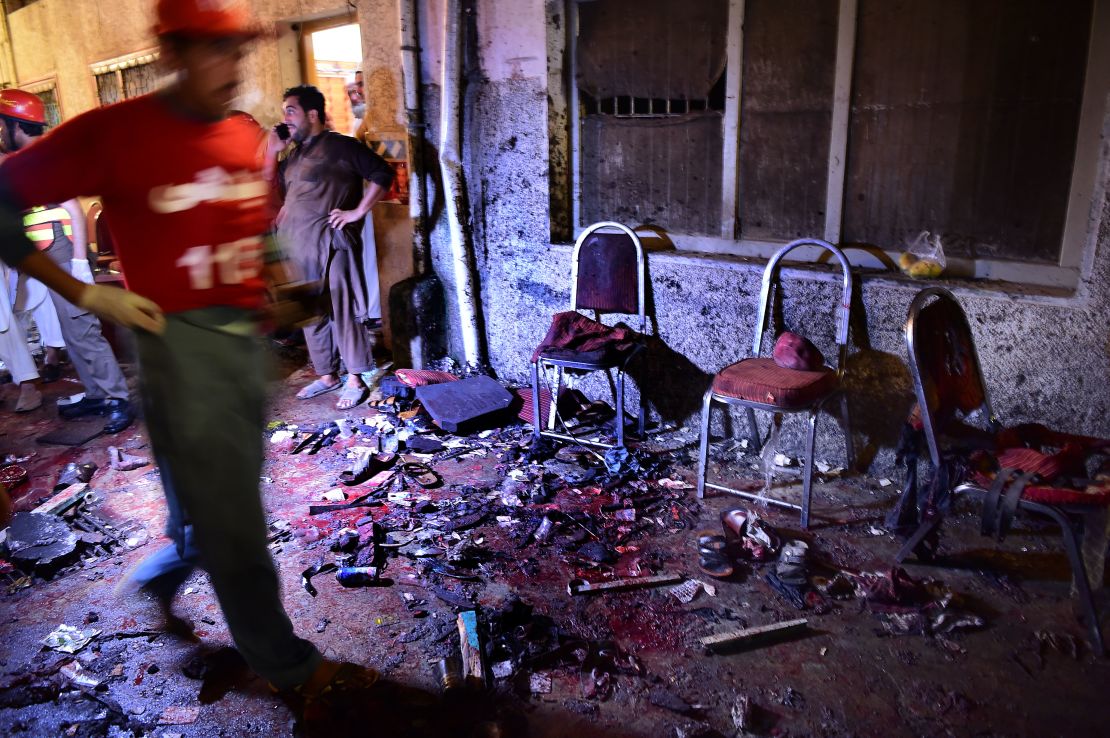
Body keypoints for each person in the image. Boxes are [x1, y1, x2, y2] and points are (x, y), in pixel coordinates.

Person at [0, 0, 373, 705]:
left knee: (216, 501)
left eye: (238, 52)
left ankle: (168, 570)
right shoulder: (114, 133)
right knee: (235, 519)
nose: (233, 68)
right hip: (179, 348)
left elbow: (247, 224)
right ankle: (284, 663)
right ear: (171, 53)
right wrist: (83, 294)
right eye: (214, 51)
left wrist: (275, 285)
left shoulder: (237, 134)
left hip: (242, 348)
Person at [0, 89, 134, 433]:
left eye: (1, 125)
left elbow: (73, 208)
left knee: (82, 327)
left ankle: (117, 398)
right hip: (42, 249)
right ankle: (96, 393)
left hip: (62, 248)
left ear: (16, 125)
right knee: (69, 330)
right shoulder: (21, 158)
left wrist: (78, 264)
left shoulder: (40, 157)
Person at [267, 84, 393, 410]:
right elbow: (274, 189)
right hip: (298, 244)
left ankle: (355, 376)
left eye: (291, 112)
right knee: (311, 312)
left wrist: (358, 211)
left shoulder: (340, 146)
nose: (286, 119)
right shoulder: (294, 155)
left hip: (331, 242)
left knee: (341, 310)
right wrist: (272, 151)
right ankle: (327, 375)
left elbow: (382, 173)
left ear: (312, 114)